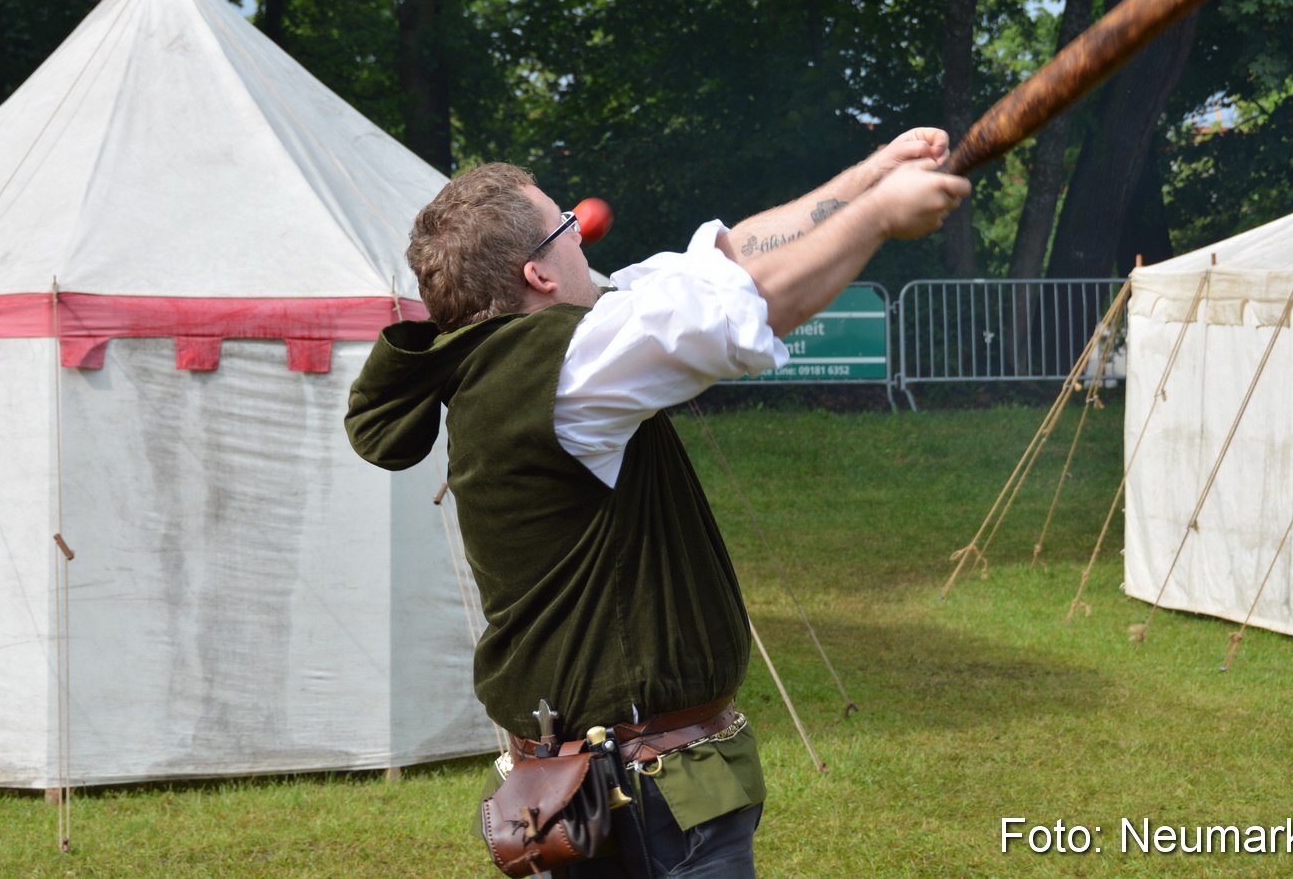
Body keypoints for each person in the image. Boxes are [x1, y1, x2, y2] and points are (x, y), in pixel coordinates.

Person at [345, 128, 969, 877]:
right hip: (647, 806)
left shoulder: (538, 353)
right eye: (566, 226)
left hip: (622, 793)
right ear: (538, 273)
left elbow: (727, 262)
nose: (584, 233)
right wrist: (878, 219)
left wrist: (868, 177)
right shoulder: (565, 364)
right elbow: (752, 309)